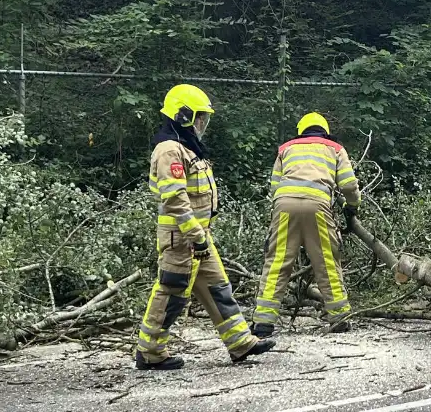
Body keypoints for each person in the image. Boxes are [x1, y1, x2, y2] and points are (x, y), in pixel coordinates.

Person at [135, 84, 275, 370]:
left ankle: (240, 342)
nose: (202, 124)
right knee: (171, 293)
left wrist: (201, 237)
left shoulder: (187, 148)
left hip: (197, 237)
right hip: (181, 238)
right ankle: (150, 352)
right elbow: (175, 199)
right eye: (200, 117)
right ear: (184, 116)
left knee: (217, 288)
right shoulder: (169, 150)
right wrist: (196, 237)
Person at [250, 112, 360, 338]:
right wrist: (352, 206)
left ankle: (263, 321)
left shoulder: (286, 148)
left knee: (277, 262)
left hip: (284, 206)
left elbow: (274, 186)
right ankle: (339, 317)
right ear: (324, 130)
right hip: (317, 207)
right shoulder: (335, 148)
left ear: (301, 130)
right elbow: (349, 184)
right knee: (326, 261)